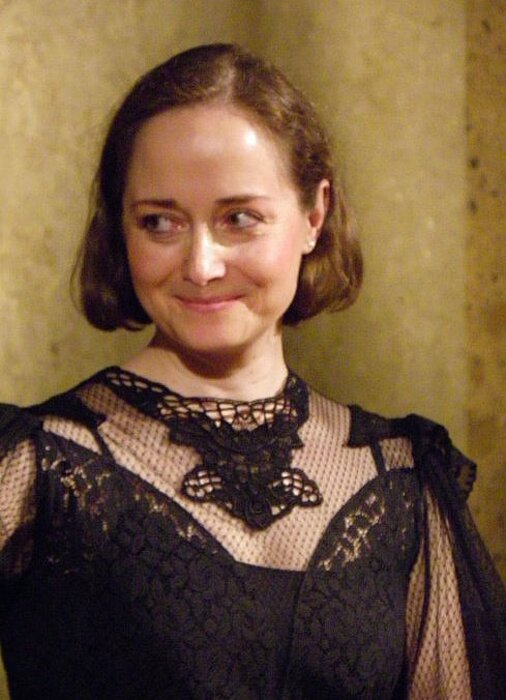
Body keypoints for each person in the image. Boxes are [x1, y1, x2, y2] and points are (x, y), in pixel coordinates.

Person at [0, 43, 504, 700]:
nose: (201, 265)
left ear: (314, 216)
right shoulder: (34, 467)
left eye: (239, 218)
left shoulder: (406, 483)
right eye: (159, 222)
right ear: (121, 229)